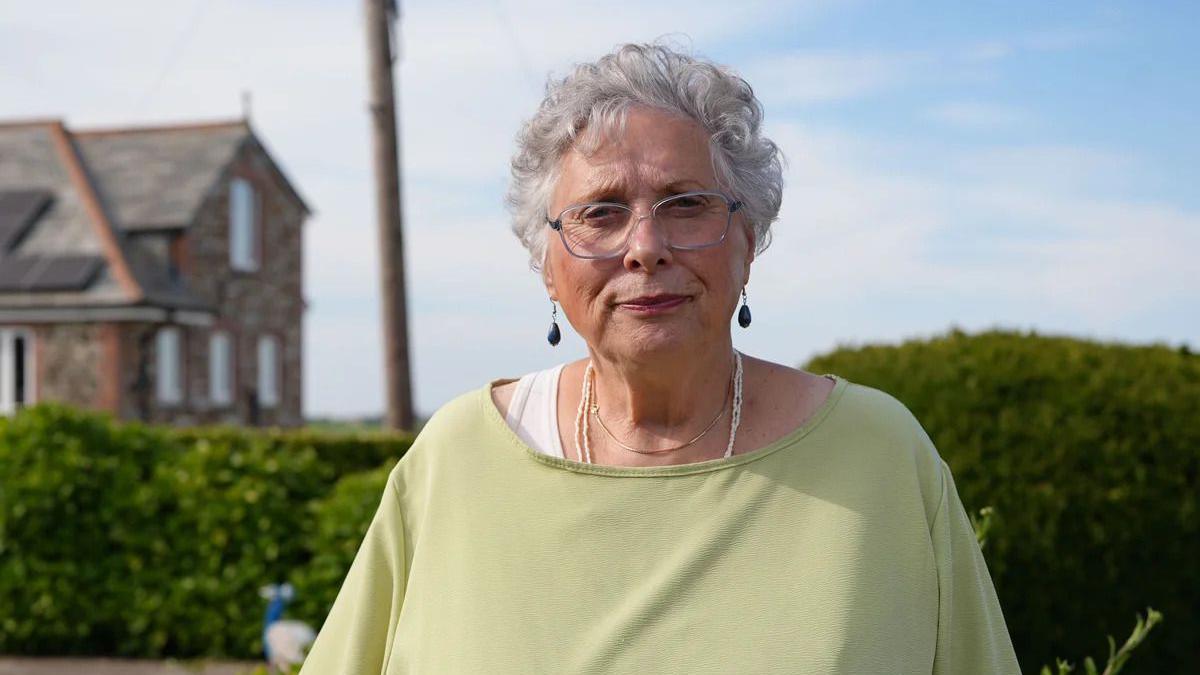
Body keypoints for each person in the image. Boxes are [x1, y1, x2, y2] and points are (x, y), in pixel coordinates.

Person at [300, 43, 1020, 674]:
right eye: (601, 212)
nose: (645, 246)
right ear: (547, 264)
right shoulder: (455, 460)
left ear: (747, 242)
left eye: (686, 203)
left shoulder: (881, 455)